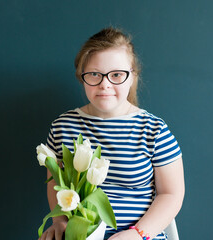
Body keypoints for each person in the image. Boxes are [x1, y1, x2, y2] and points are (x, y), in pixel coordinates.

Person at [39, 27, 185, 240]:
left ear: (132, 76)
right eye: (94, 74)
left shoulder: (154, 129)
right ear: (82, 77)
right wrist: (59, 221)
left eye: (116, 74)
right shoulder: (63, 126)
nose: (104, 84)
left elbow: (171, 194)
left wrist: (136, 234)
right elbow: (54, 180)